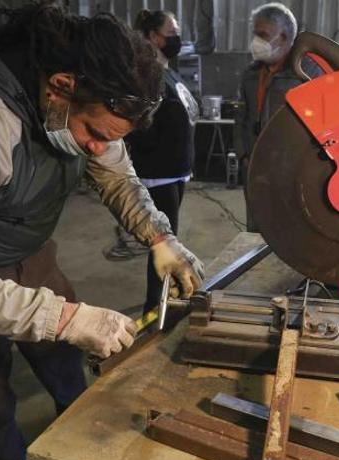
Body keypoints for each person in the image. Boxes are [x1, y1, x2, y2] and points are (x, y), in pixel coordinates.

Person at [0, 5, 204, 460]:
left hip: (32, 253)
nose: (99, 149)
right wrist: (65, 317)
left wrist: (160, 237)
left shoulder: (86, 110)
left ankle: (83, 451)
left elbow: (118, 178)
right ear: (60, 87)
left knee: (67, 361)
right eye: (96, 135)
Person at [127, 9, 199, 313]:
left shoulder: (166, 69)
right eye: (171, 32)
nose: (177, 38)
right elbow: (138, 126)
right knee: (163, 242)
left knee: (169, 239)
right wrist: (156, 149)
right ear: (154, 37)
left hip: (176, 170)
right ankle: (154, 305)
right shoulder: (146, 75)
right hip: (159, 173)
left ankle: (162, 298)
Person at [234, 2, 317, 232]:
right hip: (254, 169)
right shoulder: (251, 74)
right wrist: (243, 155)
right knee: (257, 231)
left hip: (292, 172)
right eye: (255, 34)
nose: (256, 42)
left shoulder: (306, 74)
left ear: (284, 37)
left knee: (291, 233)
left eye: (262, 35)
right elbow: (241, 117)